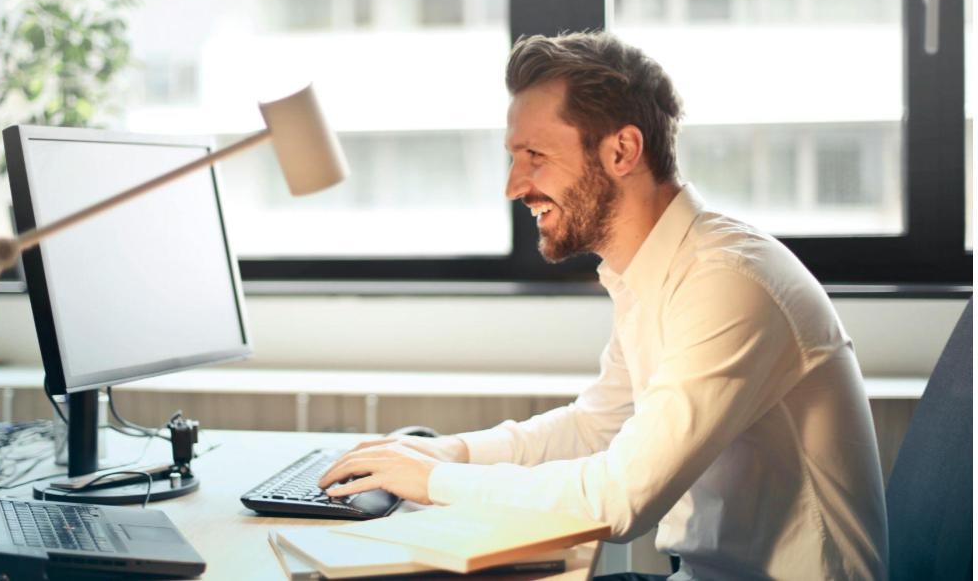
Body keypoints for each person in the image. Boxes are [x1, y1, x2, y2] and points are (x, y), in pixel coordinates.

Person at [319, 31, 888, 581]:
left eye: (535, 155)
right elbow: (597, 427)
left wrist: (435, 479)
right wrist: (451, 452)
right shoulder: (655, 270)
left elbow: (619, 500)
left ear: (622, 150)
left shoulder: (728, 283)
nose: (514, 185)